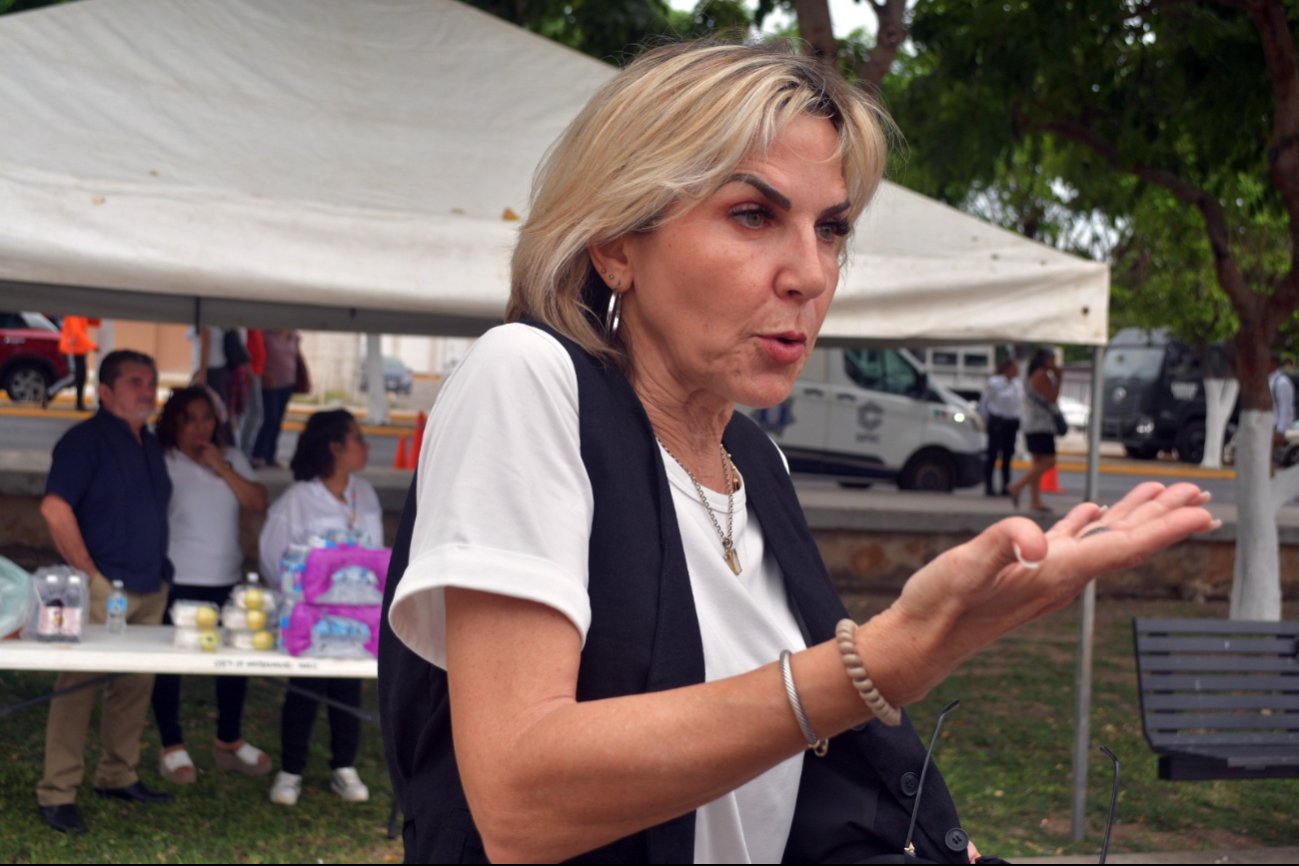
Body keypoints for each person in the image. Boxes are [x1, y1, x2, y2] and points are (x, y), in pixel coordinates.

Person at [379, 42, 1216, 864]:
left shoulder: (755, 463)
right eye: (753, 216)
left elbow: (775, 789)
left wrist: (945, 656)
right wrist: (875, 664)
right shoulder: (528, 379)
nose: (809, 274)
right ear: (615, 244)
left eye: (831, 229)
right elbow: (520, 803)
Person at [36, 350, 174, 835]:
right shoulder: (84, 442)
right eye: (136, 381)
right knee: (77, 689)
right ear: (106, 391)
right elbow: (55, 509)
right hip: (100, 589)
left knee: (134, 689)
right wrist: (89, 574)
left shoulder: (149, 443)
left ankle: (117, 774)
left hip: (149, 586)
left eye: (152, 381)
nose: (147, 390)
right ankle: (57, 791)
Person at [259, 409, 382, 807]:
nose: (365, 447)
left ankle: (344, 767)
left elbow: (374, 552)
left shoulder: (364, 493)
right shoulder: (300, 499)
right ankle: (291, 770)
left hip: (355, 618)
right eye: (357, 439)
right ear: (335, 447)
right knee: (305, 689)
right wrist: (296, 599)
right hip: (310, 618)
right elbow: (271, 553)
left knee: (348, 690)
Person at [150, 387, 271, 785]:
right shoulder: (163, 461)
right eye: (190, 418)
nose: (201, 426)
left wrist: (221, 467)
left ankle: (229, 741)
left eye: (207, 417)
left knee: (234, 662)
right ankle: (172, 745)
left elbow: (257, 502)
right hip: (179, 577)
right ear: (174, 423)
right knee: (172, 664)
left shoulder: (231, 458)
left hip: (226, 577)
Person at [1008, 348, 1062, 512]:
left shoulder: (1030, 374)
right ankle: (1017, 486)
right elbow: (1053, 398)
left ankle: (1035, 501)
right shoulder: (1041, 375)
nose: (1054, 364)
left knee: (1037, 462)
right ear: (1045, 360)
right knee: (1049, 461)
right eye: (1052, 360)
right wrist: (1059, 378)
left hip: (1031, 424)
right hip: (1041, 425)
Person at [252, 329, 300, 469]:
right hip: (270, 384)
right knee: (270, 418)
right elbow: (259, 356)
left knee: (278, 420)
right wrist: (265, 373)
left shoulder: (293, 336)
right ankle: (258, 454)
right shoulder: (266, 335)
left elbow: (296, 357)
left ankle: (270, 456)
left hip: (288, 383)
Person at [978, 355, 1022, 497]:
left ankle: (1006, 486)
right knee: (992, 455)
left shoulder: (1017, 384)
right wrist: (986, 421)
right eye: (1015, 368)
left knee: (1008, 456)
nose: (1017, 371)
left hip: (1011, 422)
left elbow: (1019, 405)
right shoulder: (995, 383)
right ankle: (989, 486)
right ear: (1008, 369)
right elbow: (984, 403)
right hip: (997, 421)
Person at [57, 315, 97, 411]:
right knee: (74, 377)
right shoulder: (74, 315)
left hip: (79, 351)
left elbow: (94, 322)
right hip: (71, 350)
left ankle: (79, 404)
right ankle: (48, 393)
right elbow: (77, 333)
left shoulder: (82, 316)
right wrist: (92, 346)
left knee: (81, 378)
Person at [238, 328, 266, 460]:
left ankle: (246, 451)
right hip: (251, 372)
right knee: (254, 413)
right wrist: (249, 370)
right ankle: (245, 451)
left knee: (255, 413)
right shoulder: (247, 327)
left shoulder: (257, 328)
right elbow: (243, 345)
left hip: (257, 372)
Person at [1269, 351, 1294, 461]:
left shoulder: (1282, 382)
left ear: (1274, 363)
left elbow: (1285, 407)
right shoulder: (1266, 379)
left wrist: (1281, 430)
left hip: (1275, 427)